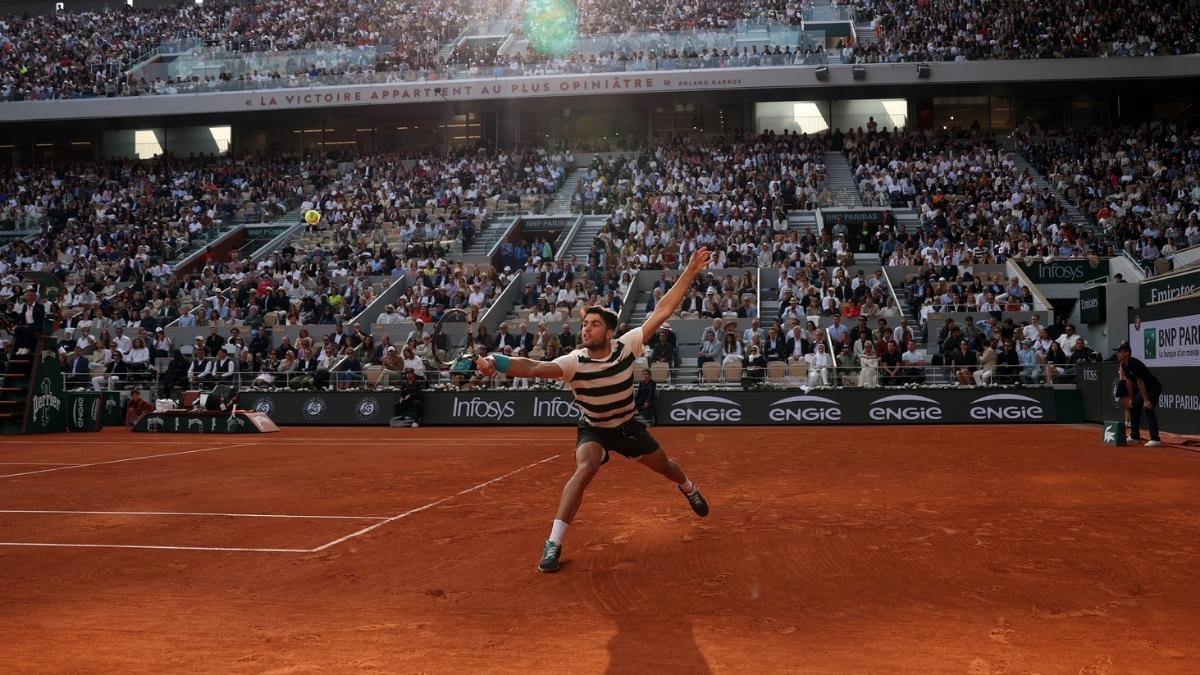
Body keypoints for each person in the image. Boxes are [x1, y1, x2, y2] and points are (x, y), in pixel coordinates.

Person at [476, 248, 713, 573]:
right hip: (595, 428)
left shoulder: (627, 346)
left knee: (666, 467)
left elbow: (662, 309)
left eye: (595, 324)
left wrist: (690, 271)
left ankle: (688, 487)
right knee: (584, 468)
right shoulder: (574, 361)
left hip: (628, 427)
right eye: (585, 324)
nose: (586, 329)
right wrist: (495, 361)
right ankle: (554, 543)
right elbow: (532, 367)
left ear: (610, 332)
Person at [1116, 344, 1162, 447]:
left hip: (1153, 387)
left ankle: (1155, 439)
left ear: (1127, 353)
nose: (1117, 354)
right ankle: (1135, 437)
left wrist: (1146, 400)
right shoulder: (1123, 364)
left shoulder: (1135, 364)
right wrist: (1131, 399)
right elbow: (1129, 382)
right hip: (1144, 389)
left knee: (1148, 408)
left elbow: (1140, 382)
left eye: (1120, 351)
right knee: (1134, 406)